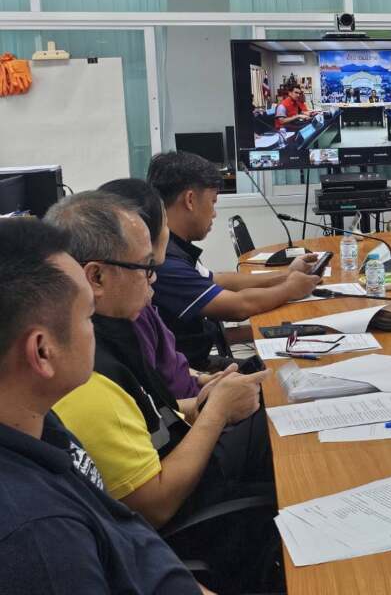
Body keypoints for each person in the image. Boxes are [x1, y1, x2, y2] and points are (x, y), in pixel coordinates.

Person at [45, 192, 278, 593]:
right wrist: (216, 412)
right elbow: (153, 506)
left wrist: (202, 403)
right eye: (146, 268)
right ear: (95, 277)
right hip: (180, 531)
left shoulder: (114, 336)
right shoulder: (85, 376)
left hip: (183, 474)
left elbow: (144, 417)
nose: (154, 280)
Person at [0, 217, 206, 594]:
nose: (95, 329)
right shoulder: (39, 537)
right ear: (42, 351)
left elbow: (130, 546)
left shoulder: (41, 424)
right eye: (87, 316)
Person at [146, 151, 321, 367]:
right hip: (192, 372)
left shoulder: (174, 246)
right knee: (290, 370)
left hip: (195, 364)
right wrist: (290, 289)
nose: (214, 213)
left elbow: (218, 280)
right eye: (212, 202)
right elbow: (239, 307)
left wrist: (286, 275)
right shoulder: (165, 260)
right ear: (190, 200)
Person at [100, 178, 212, 399]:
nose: (152, 280)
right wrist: (215, 405)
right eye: (165, 223)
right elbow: (158, 409)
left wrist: (204, 379)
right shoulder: (131, 311)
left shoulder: (139, 298)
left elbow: (170, 366)